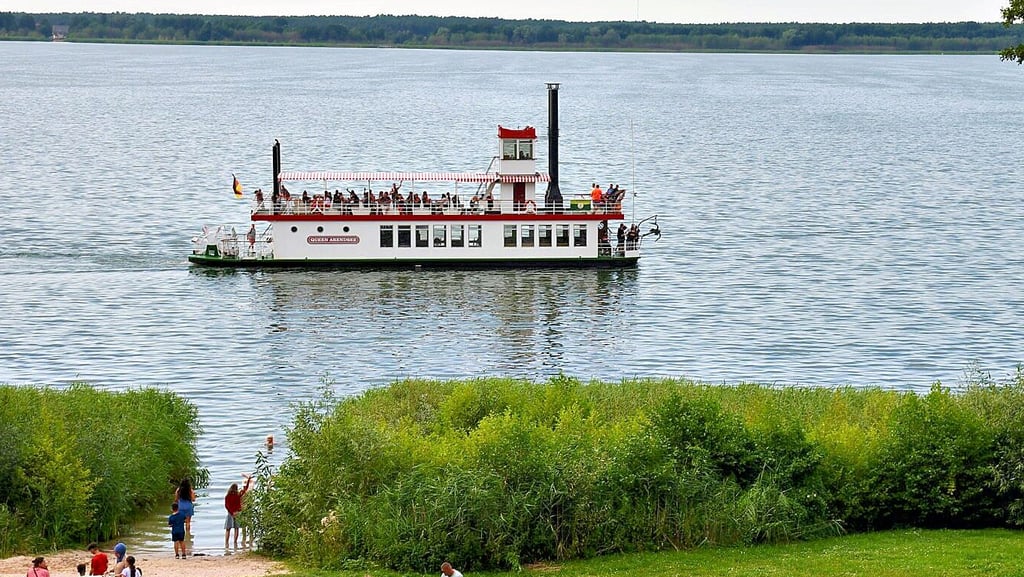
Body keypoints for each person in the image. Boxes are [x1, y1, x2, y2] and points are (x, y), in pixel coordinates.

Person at [224, 475, 253, 548]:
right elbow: (245, 489)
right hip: (237, 513)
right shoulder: (237, 495)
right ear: (236, 489)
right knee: (236, 529)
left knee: (228, 529)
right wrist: (248, 480)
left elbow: (226, 506)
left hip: (230, 514)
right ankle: (235, 543)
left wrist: (231, 513)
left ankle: (226, 543)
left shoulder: (227, 496)